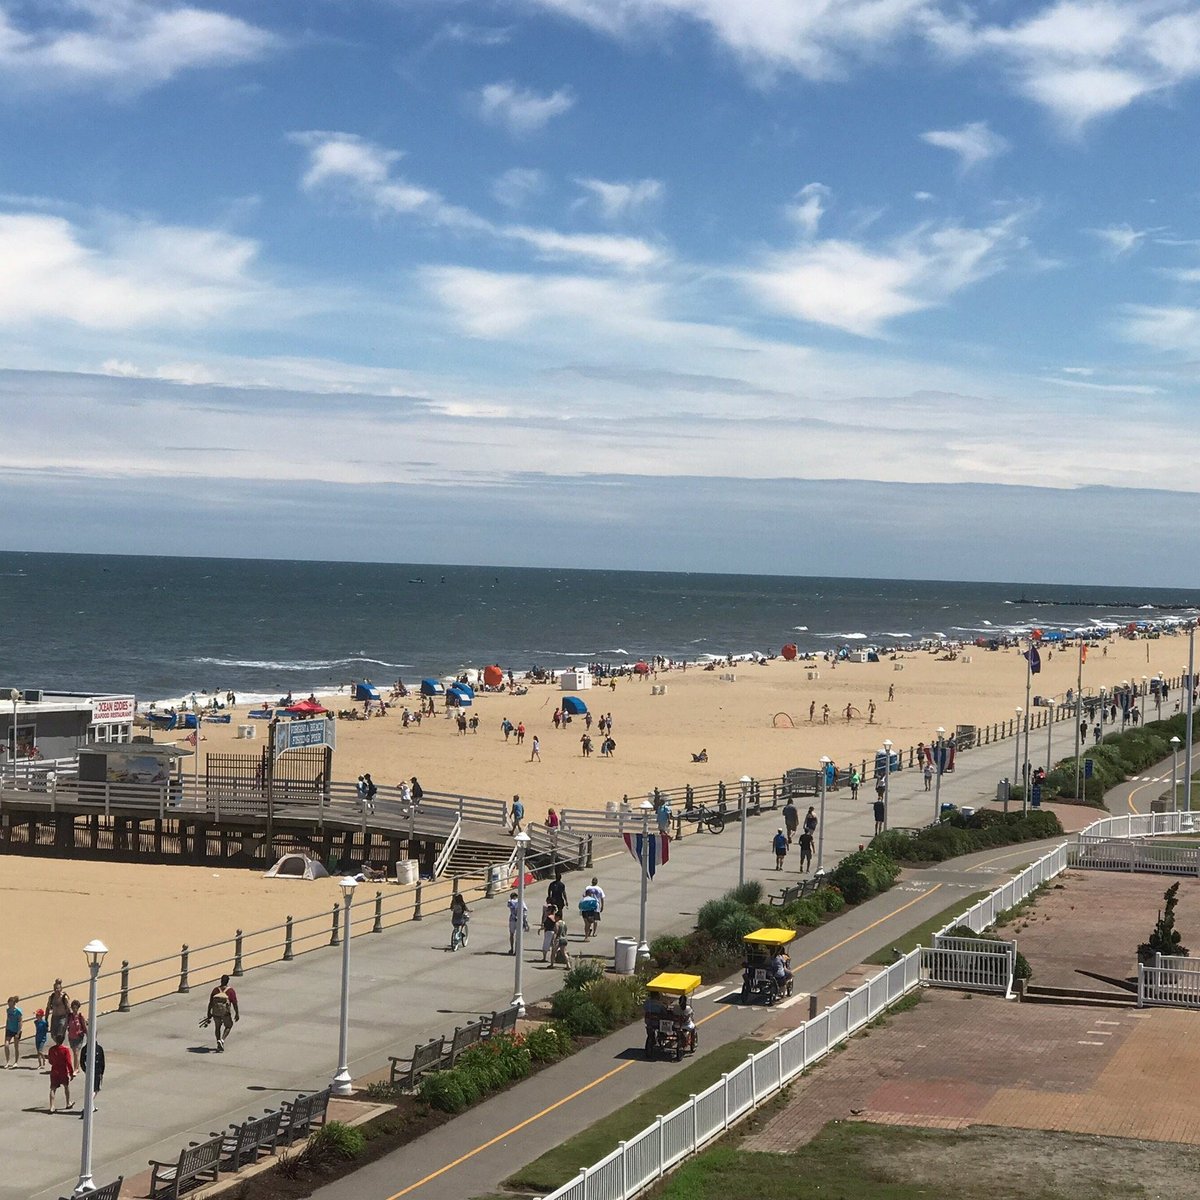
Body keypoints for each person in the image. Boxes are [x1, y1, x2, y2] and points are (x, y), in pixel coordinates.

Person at [204, 974, 239, 1052]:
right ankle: (222, 1040)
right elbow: (234, 1003)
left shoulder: (215, 990)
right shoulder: (230, 991)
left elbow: (210, 1003)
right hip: (225, 1012)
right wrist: (237, 1013)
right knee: (229, 1025)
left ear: (221, 980)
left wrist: (209, 1013)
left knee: (217, 1027)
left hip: (216, 1012)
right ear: (228, 981)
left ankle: (218, 1042)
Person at [47, 1033, 74, 1112]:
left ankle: (52, 1106)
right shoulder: (65, 1050)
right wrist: (71, 1072)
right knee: (66, 1086)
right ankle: (68, 1102)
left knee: (53, 1088)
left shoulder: (51, 1049)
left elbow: (50, 1060)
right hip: (63, 1070)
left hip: (54, 1070)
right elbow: (68, 1062)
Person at [80, 1040, 105, 1109]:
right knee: (96, 1089)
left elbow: (81, 1061)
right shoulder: (99, 1048)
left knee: (90, 1088)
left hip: (89, 1071)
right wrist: (102, 1072)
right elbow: (102, 1061)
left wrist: (85, 1070)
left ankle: (92, 1106)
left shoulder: (84, 1049)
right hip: (97, 1071)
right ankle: (89, 1103)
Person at [45, 979, 70, 1045]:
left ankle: (59, 1047)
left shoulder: (64, 997)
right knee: (53, 1035)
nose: (56, 990)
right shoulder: (52, 997)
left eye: (58, 988)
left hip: (63, 1017)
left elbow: (68, 1009)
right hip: (54, 1017)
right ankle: (58, 1046)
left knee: (60, 1034)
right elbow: (48, 1008)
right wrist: (46, 1019)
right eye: (55, 988)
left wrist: (70, 1020)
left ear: (61, 989)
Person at [66, 1000, 87, 1072]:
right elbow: (66, 1025)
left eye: (76, 1008)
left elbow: (84, 1027)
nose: (74, 1009)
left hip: (79, 1037)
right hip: (71, 1037)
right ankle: (76, 1067)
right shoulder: (69, 1016)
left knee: (76, 1052)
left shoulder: (80, 1016)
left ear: (78, 1008)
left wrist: (88, 1036)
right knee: (75, 1053)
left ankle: (76, 1068)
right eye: (73, 1008)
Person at [507, 890, 528, 954]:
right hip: (520, 919)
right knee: (518, 936)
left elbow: (509, 905)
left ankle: (512, 948)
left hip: (512, 919)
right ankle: (517, 950)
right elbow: (525, 910)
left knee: (511, 934)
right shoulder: (521, 901)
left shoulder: (510, 901)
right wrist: (525, 920)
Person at [4, 995, 21, 1068]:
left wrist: (18, 1032)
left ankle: (16, 1062)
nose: (8, 1004)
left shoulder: (18, 1011)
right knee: (6, 1045)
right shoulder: (8, 1010)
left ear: (13, 1003)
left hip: (16, 1030)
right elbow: (8, 1019)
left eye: (9, 1003)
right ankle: (7, 1061)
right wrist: (7, 1027)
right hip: (9, 1029)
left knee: (16, 1046)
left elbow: (20, 1022)